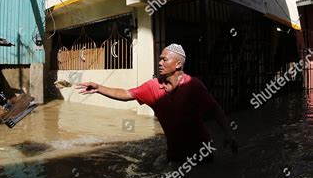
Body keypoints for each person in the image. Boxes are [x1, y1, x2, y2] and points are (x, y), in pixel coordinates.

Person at [77, 44, 238, 162]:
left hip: (202, 155)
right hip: (174, 156)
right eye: (159, 59)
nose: (159, 62)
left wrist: (229, 134)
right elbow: (125, 94)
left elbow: (215, 109)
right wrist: (98, 88)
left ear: (178, 64)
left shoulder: (193, 85)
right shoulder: (152, 87)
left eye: (164, 59)